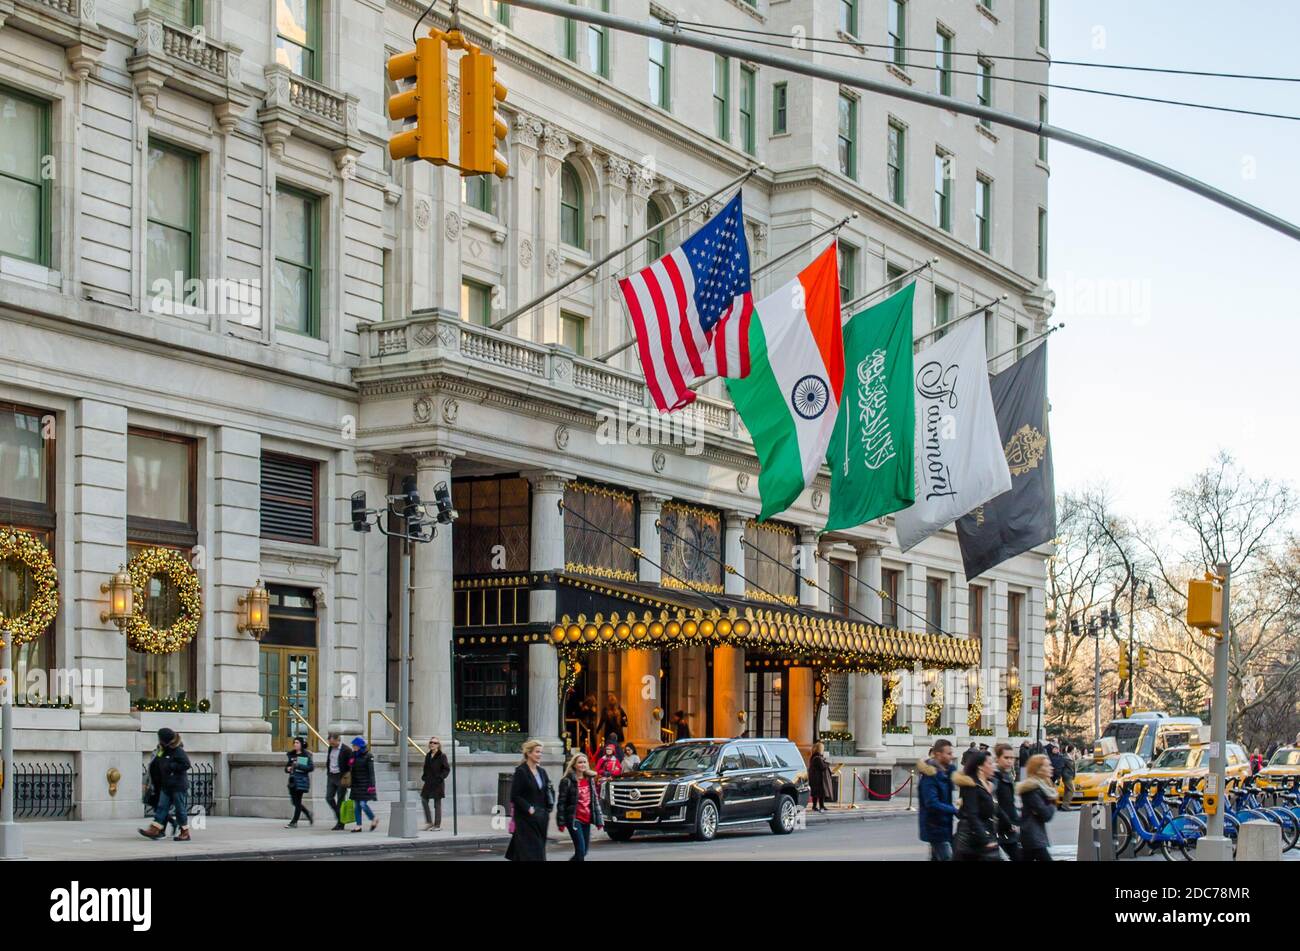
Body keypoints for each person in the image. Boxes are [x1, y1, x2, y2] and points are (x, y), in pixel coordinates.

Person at [139, 728, 192, 841]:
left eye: (159, 738)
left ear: (164, 739)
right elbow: (157, 763)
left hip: (178, 785)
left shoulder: (178, 750)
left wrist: (172, 767)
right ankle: (155, 829)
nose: (158, 740)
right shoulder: (163, 750)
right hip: (165, 785)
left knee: (180, 809)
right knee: (161, 807)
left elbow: (186, 764)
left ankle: (185, 832)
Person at [505, 739, 553, 862]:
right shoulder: (521, 771)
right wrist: (529, 808)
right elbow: (515, 796)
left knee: (536, 850)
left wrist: (547, 809)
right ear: (529, 753)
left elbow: (547, 790)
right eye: (537, 752)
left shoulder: (542, 772)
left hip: (541, 818)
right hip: (526, 819)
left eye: (541, 752)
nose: (540, 755)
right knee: (533, 852)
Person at [953, 750, 1000, 861]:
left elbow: (995, 808)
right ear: (980, 767)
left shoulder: (989, 785)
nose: (994, 766)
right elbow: (971, 814)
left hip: (984, 836)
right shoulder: (971, 785)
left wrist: (1009, 823)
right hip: (970, 840)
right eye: (990, 763)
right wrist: (985, 839)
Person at [556, 751, 603, 861]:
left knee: (584, 851)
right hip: (574, 820)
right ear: (574, 765)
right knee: (580, 851)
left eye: (584, 762)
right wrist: (561, 822)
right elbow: (561, 803)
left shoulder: (590, 779)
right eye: (580, 762)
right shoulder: (567, 781)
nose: (582, 764)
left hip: (586, 819)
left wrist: (599, 821)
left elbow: (595, 800)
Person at [917, 739, 958, 860]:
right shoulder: (930, 776)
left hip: (944, 825)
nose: (952, 756)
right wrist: (954, 810)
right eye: (949, 753)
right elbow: (931, 802)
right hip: (935, 826)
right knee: (947, 857)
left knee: (936, 857)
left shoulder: (947, 772)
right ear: (938, 754)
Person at [1018, 753, 1058, 861]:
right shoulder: (1032, 789)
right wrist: (1051, 803)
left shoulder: (1043, 787)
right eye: (1048, 765)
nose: (1051, 767)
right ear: (1038, 769)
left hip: (1034, 835)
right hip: (1032, 836)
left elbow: (1042, 813)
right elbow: (1046, 815)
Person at [992, 742, 1021, 861]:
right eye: (1006, 757)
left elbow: (1009, 802)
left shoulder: (1007, 775)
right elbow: (994, 804)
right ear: (998, 758)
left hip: (1009, 826)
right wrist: (1009, 823)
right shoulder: (995, 777)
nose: (1010, 761)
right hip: (1000, 828)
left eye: (1012, 758)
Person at [348, 736, 379, 832]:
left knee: (362, 804)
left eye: (354, 745)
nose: (353, 747)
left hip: (365, 784)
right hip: (356, 784)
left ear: (359, 746)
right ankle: (358, 825)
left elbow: (371, 772)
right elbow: (350, 766)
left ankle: (373, 818)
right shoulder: (353, 755)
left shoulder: (368, 756)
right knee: (356, 805)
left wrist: (372, 786)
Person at [324, 731, 354, 830]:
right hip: (331, 776)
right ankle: (339, 815)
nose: (331, 745)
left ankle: (340, 823)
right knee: (329, 797)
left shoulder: (346, 750)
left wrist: (348, 775)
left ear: (338, 740)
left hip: (341, 777)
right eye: (330, 743)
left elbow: (351, 764)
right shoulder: (330, 748)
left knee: (341, 800)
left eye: (333, 743)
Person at [421, 736, 451, 831]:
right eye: (431, 742)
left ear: (438, 745)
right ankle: (429, 822)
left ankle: (437, 825)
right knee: (424, 799)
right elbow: (425, 768)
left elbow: (446, 769)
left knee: (437, 803)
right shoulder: (428, 755)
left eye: (435, 743)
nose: (432, 744)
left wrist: (440, 777)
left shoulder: (442, 756)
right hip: (428, 782)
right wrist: (424, 776)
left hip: (438, 783)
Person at [284, 736, 315, 827]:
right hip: (292, 780)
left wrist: (298, 766)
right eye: (294, 743)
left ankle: (294, 822)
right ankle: (308, 813)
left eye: (297, 743)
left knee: (297, 801)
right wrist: (288, 769)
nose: (295, 744)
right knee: (294, 802)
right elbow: (286, 767)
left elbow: (310, 767)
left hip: (301, 780)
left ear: (301, 744)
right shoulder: (292, 755)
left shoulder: (306, 755)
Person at [808, 741, 834, 812]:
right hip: (818, 779)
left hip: (816, 778)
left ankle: (820, 806)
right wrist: (828, 763)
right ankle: (817, 806)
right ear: (820, 749)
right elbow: (822, 767)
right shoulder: (817, 758)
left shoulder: (815, 757)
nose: (823, 750)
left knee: (818, 793)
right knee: (819, 793)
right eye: (822, 749)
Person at [1057, 744, 1077, 811]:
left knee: (1067, 790)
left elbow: (1073, 767)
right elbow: (1061, 767)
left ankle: (1064, 805)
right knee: (1071, 790)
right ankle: (1066, 805)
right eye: (1074, 749)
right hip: (1066, 776)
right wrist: (1059, 776)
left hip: (1070, 776)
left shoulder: (1071, 757)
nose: (1075, 751)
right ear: (1071, 750)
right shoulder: (1065, 757)